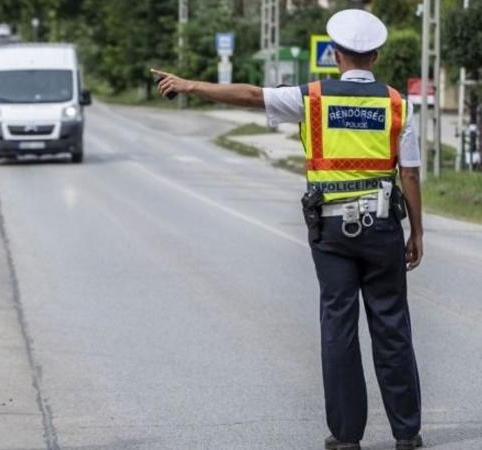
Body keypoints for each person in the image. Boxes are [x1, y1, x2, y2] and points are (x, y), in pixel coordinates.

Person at [152, 9, 423, 450]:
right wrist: (418, 233)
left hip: (332, 232)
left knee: (339, 326)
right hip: (383, 229)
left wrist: (190, 85)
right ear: (375, 55)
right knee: (391, 324)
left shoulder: (310, 98)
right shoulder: (397, 104)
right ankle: (407, 434)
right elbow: (409, 175)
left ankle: (347, 436)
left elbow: (249, 95)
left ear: (335, 55)